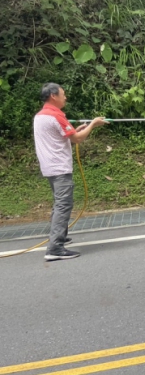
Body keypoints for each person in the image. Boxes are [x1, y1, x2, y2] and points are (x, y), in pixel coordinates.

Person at [33, 83, 107, 261]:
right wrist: (94, 124)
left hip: (50, 166)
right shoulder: (55, 116)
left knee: (60, 203)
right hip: (59, 167)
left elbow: (68, 135)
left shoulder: (41, 115)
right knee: (63, 204)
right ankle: (55, 248)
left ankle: (60, 235)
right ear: (53, 96)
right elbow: (78, 139)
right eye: (63, 94)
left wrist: (79, 129)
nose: (65, 97)